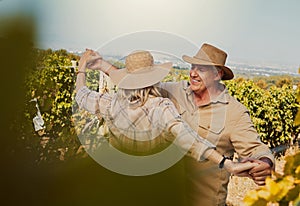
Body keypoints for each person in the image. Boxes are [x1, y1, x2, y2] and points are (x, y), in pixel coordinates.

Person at [81, 45, 275, 206]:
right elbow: (136, 81)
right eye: (192, 66)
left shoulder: (234, 112)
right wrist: (102, 65)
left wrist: (264, 163)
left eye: (202, 69)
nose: (193, 73)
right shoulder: (172, 90)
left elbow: (256, 149)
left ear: (218, 74)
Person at [75, 49, 257, 176]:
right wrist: (226, 163)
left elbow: (82, 95)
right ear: (154, 76)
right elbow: (190, 139)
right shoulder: (162, 107)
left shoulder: (111, 103)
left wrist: (82, 68)